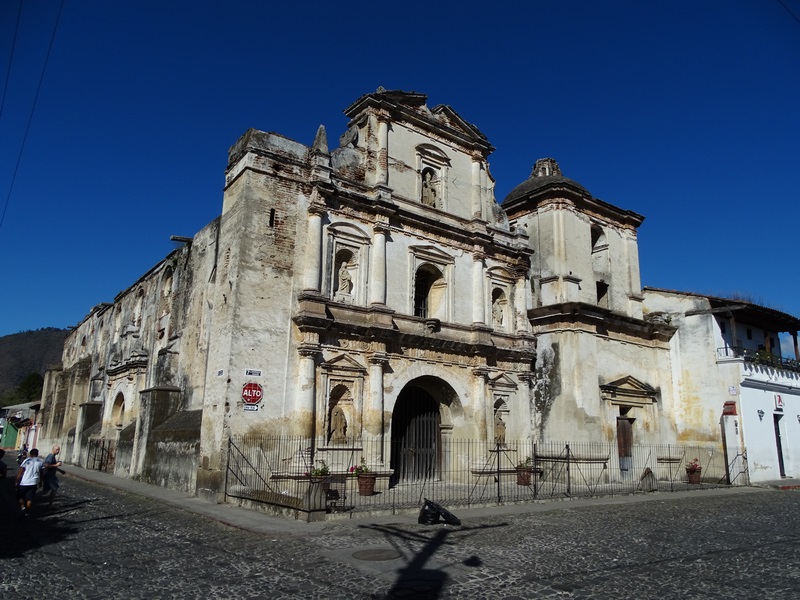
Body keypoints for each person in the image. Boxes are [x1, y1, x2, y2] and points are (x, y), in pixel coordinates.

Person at [16, 448, 44, 517]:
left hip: (24, 482)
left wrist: (17, 481)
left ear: (30, 454)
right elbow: (42, 473)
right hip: (34, 482)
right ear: (37, 454)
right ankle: (27, 512)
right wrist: (41, 482)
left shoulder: (26, 461)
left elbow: (21, 471)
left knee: (19, 496)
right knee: (30, 498)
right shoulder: (41, 461)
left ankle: (23, 507)